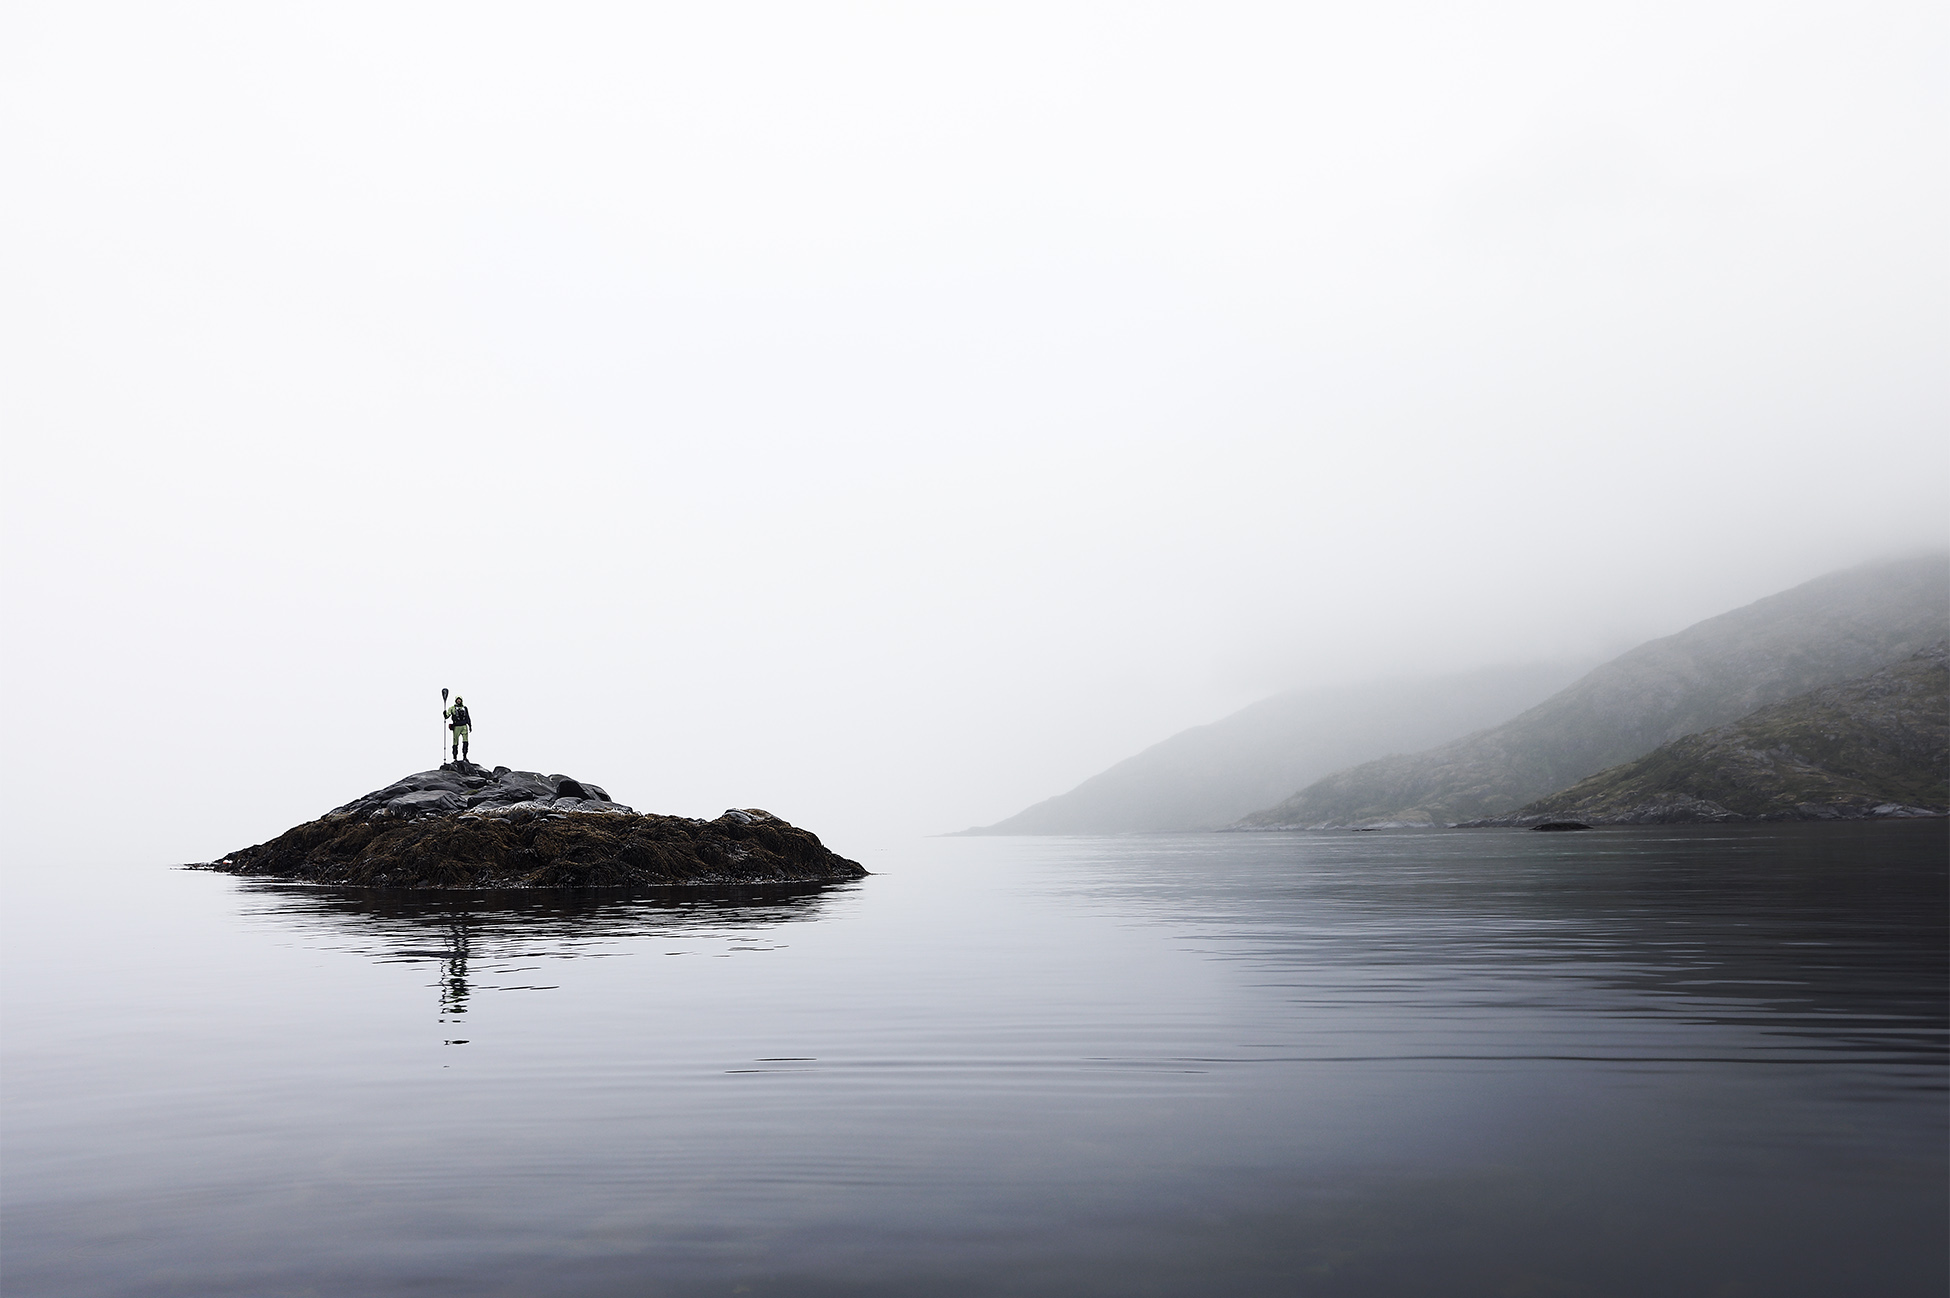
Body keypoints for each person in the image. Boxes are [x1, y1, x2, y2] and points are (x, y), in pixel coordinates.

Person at [444, 696, 473, 763]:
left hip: (464, 726)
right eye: (457, 700)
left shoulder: (465, 708)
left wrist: (470, 725)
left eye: (460, 699)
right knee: (455, 742)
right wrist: (445, 714)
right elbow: (447, 715)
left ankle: (464, 756)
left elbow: (467, 717)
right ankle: (455, 757)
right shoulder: (452, 708)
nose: (459, 701)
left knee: (465, 741)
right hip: (456, 726)